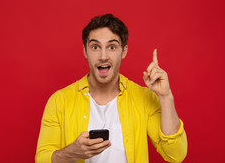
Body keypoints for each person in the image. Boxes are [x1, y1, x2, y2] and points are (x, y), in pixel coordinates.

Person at [35, 13, 187, 163]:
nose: (103, 56)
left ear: (124, 51)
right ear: (85, 51)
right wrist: (72, 152)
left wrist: (166, 97)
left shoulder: (143, 98)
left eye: (112, 47)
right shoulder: (59, 101)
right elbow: (41, 160)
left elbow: (175, 154)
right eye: (95, 47)